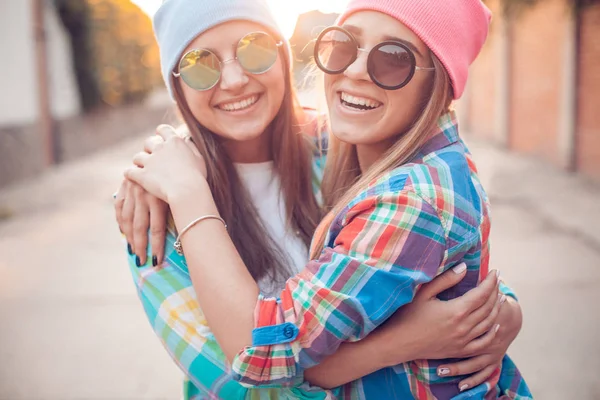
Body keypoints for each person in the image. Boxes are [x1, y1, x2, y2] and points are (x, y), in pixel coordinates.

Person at [117, 0, 527, 398]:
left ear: (283, 56)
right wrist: (404, 343)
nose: (235, 79)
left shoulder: (336, 148)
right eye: (199, 65)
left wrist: (499, 310)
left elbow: (428, 249)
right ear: (176, 87)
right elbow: (242, 383)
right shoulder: (159, 213)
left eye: (254, 49)